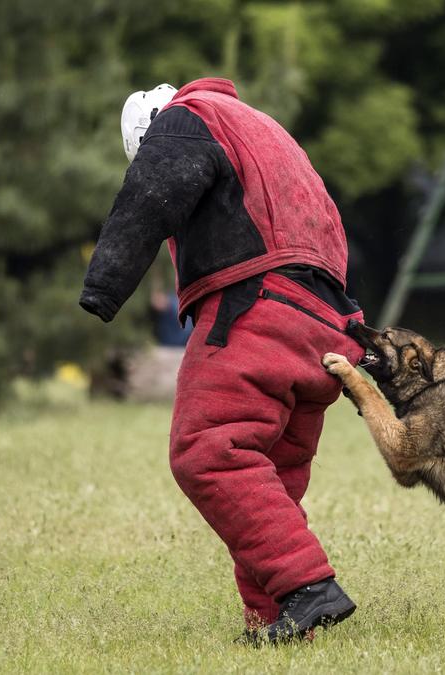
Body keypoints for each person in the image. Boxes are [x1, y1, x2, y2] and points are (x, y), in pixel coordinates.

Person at [78, 78, 366, 643]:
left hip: (258, 305)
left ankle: (309, 586)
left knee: (206, 450)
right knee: (270, 476)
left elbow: (153, 192)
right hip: (325, 323)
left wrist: (104, 286)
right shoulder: (260, 129)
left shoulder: (185, 118)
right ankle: (278, 618)